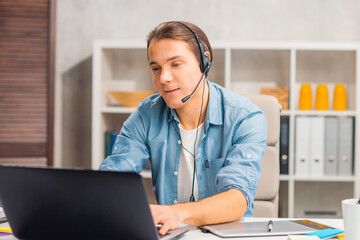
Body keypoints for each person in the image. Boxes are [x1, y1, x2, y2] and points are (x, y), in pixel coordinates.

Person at [99, 21, 267, 235]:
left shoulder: (245, 118)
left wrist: (178, 213)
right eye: (156, 68)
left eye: (175, 64)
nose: (164, 78)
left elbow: (236, 200)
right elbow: (111, 182)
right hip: (170, 234)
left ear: (204, 62)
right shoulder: (146, 115)